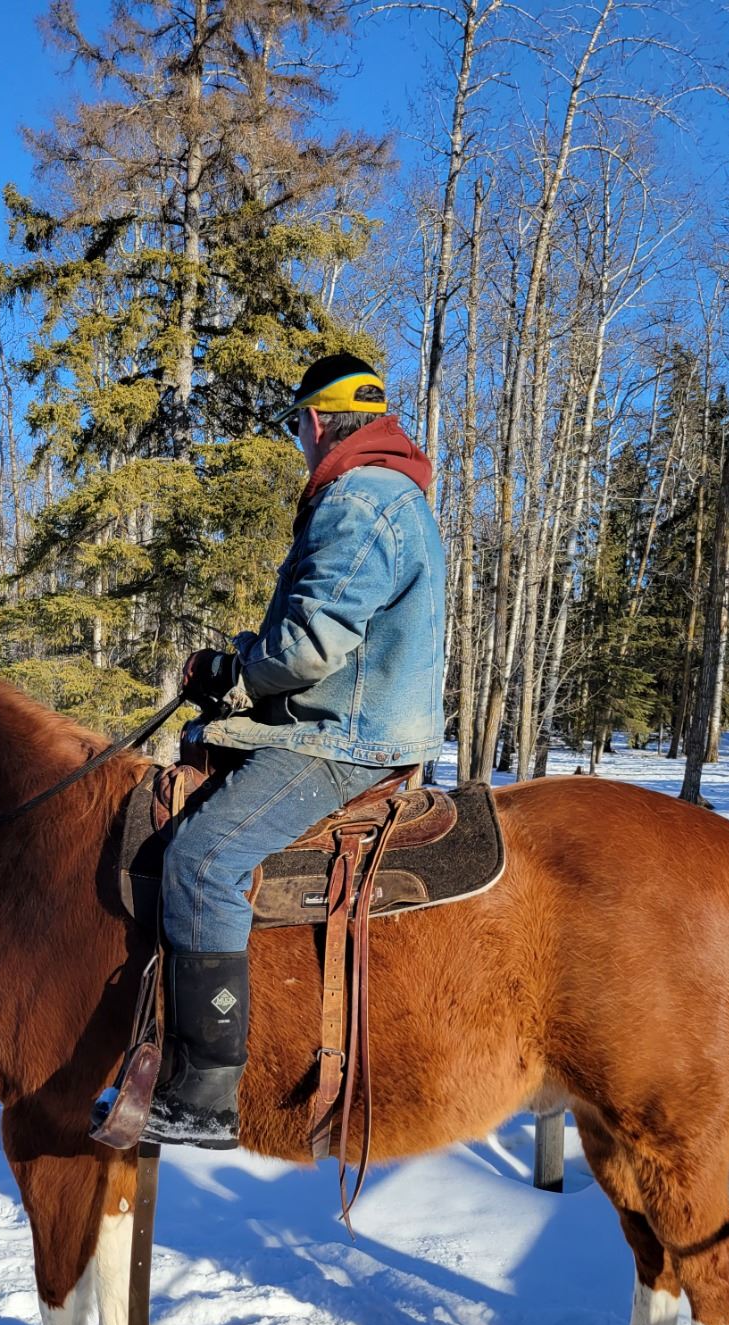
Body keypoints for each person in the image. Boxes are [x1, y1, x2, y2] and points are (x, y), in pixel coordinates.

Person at [142, 352, 447, 1149]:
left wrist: (235, 672)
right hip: (357, 719)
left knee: (202, 861)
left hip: (341, 737)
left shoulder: (356, 498)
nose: (300, 443)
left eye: (296, 429)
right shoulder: (395, 492)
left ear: (314, 422)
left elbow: (310, 645)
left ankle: (206, 1090)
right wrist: (243, 665)